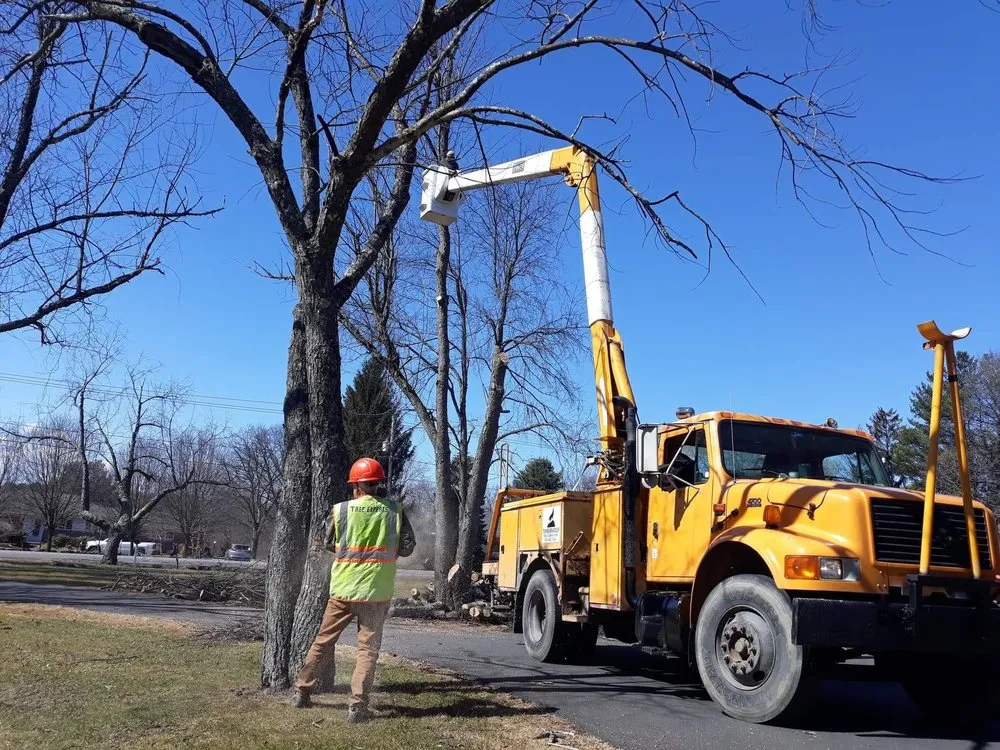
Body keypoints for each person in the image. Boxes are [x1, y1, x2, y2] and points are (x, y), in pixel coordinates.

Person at [293, 457, 416, 722]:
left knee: (323, 642)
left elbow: (328, 543)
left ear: (355, 485)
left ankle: (302, 692)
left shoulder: (341, 511)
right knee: (367, 651)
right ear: (377, 484)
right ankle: (357, 707)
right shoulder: (395, 511)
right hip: (376, 592)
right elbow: (407, 546)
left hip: (343, 590)